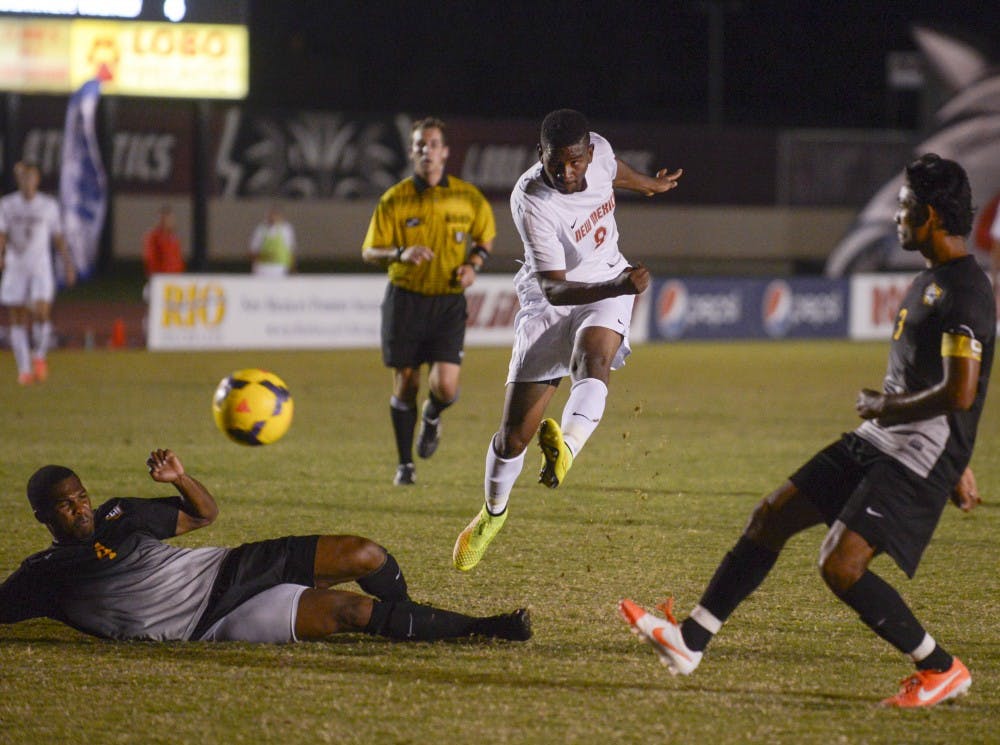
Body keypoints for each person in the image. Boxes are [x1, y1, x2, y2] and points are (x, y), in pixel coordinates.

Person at [620, 154, 993, 708]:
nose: (896, 216)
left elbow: (961, 392)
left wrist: (901, 419)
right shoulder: (931, 278)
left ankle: (941, 667)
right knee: (772, 515)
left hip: (915, 454)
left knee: (839, 566)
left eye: (904, 206)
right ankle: (689, 641)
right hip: (884, 440)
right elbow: (934, 382)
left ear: (933, 215)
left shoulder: (966, 290)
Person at [452, 109, 682, 570]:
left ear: (588, 153)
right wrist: (620, 286)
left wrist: (650, 186)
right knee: (512, 439)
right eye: (556, 162)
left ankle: (567, 450)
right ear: (541, 155)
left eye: (575, 161)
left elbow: (615, 171)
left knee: (592, 359)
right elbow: (554, 287)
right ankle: (492, 515)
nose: (566, 172)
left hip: (605, 288)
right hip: (551, 303)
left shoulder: (599, 155)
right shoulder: (532, 198)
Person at [0, 448, 532, 645]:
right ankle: (481, 629)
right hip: (207, 624)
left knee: (365, 552)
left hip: (227, 568)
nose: (81, 509)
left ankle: (412, 616)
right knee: (354, 611)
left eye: (81, 497)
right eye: (66, 507)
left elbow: (204, 515)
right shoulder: (46, 572)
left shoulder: (120, 514)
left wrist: (181, 479)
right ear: (44, 518)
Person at [362, 117, 497, 486]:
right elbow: (370, 251)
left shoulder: (467, 198)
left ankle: (433, 416)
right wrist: (400, 253)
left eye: (433, 143)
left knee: (446, 387)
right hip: (405, 301)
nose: (427, 150)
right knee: (405, 383)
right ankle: (405, 464)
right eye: (420, 144)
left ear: (445, 151)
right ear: (411, 152)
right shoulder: (394, 198)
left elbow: (485, 238)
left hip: (448, 303)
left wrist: (473, 266)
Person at [0, 161, 76, 385]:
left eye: (30, 177)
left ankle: (39, 356)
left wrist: (68, 263)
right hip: (16, 267)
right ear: (18, 180)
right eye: (23, 177)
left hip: (40, 268)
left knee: (42, 312)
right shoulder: (7, 205)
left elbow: (58, 237)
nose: (27, 181)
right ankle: (24, 369)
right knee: (17, 318)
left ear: (37, 179)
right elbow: (1, 233)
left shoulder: (48, 205)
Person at [249, 206, 296, 276]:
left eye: (276, 215)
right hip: (263, 267)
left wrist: (292, 268)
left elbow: (291, 249)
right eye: (272, 215)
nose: (273, 217)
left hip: (280, 266)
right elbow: (253, 250)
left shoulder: (286, 229)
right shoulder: (261, 229)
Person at [142, 204, 186, 278]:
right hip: (161, 277)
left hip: (175, 277)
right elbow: (150, 258)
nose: (170, 221)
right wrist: (154, 275)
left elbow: (177, 259)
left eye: (171, 218)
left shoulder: (173, 237)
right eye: (167, 219)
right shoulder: (154, 237)